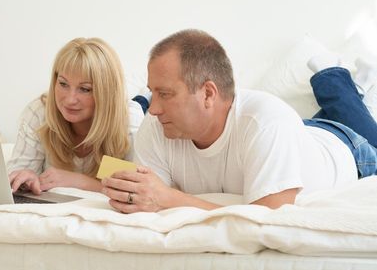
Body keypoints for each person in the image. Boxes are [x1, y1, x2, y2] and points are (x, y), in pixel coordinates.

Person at [101, 29, 377, 213]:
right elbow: (147, 196)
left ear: (208, 93)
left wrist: (170, 198)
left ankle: (333, 75)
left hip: (347, 149)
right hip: (291, 138)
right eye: (152, 94)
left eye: (165, 94)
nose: (155, 108)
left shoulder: (268, 122)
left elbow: (267, 219)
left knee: (348, 115)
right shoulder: (158, 124)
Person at [7, 37, 149, 194]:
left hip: (132, 107)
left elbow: (139, 190)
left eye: (85, 89)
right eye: (63, 84)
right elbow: (13, 177)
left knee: (144, 100)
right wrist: (26, 178)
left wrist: (78, 181)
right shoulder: (39, 112)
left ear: (106, 92)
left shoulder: (129, 117)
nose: (70, 100)